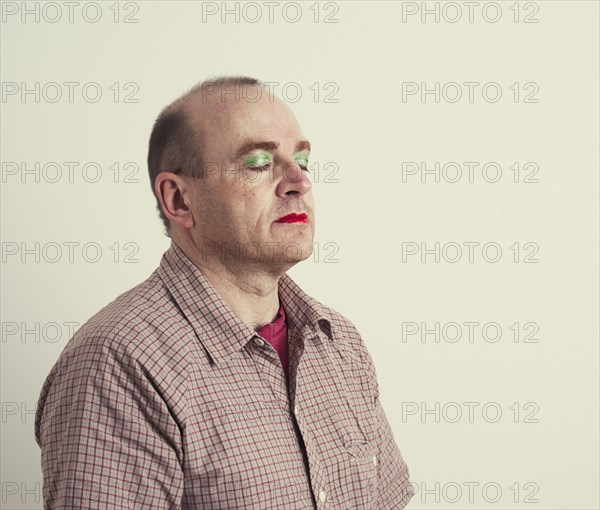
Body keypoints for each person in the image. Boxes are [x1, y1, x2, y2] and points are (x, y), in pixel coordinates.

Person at [34, 76, 413, 509]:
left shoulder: (339, 344)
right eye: (257, 163)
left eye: (303, 162)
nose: (298, 182)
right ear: (178, 200)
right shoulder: (118, 364)